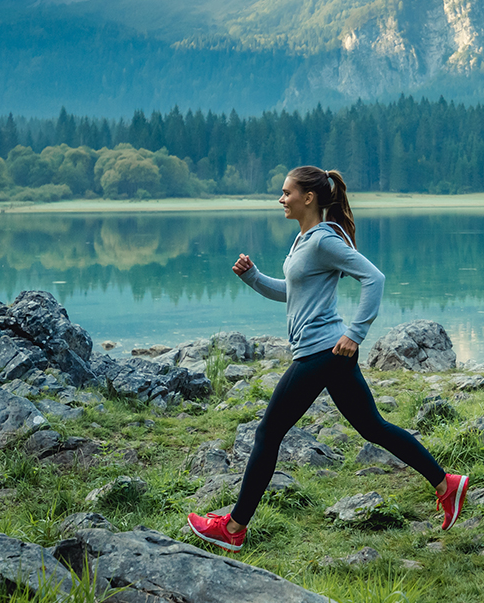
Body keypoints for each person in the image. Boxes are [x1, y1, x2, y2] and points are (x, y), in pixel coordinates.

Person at [186, 165, 469, 551]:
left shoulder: (323, 240)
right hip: (328, 352)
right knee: (374, 427)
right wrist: (253, 278)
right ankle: (446, 484)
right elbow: (294, 292)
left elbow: (375, 278)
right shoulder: (304, 241)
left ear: (309, 197)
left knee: (267, 434)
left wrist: (356, 333)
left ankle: (233, 529)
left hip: (322, 352)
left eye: (287, 193)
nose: (281, 199)